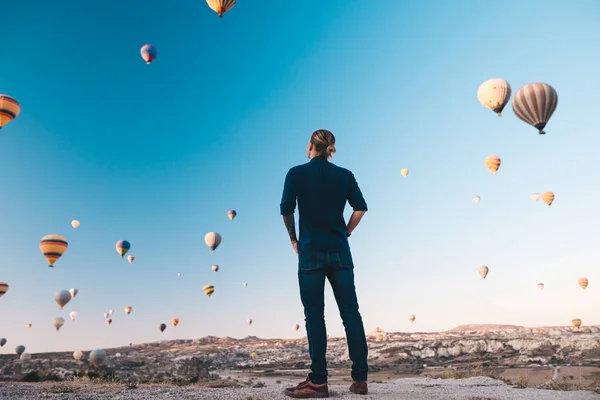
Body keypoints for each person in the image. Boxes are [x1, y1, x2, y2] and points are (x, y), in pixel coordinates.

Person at [280, 129, 369, 398]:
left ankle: (318, 381)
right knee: (351, 313)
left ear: (310, 146)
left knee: (315, 316)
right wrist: (346, 232)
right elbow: (360, 208)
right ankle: (360, 379)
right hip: (340, 252)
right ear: (330, 148)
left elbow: (286, 209)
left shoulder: (296, 173)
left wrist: (294, 240)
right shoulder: (345, 175)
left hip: (310, 253)